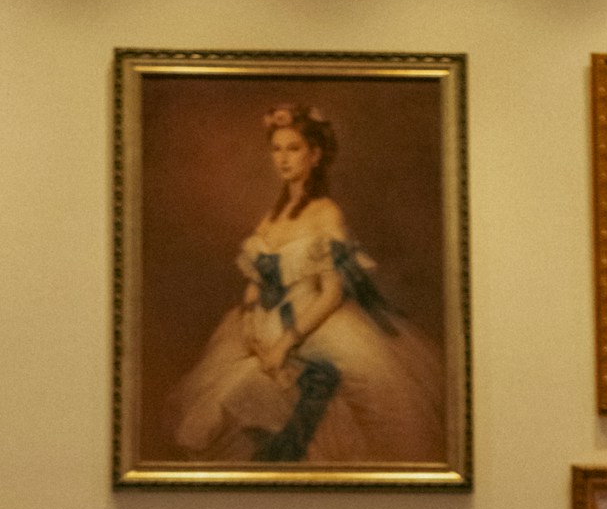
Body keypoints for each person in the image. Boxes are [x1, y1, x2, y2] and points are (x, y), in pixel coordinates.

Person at [165, 98, 448, 466]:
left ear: (314, 155)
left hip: (313, 324)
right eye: (277, 149)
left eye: (294, 149)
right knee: (213, 409)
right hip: (260, 326)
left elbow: (331, 293)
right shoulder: (272, 216)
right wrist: (250, 316)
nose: (283, 158)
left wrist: (285, 342)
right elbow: (256, 278)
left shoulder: (325, 213)